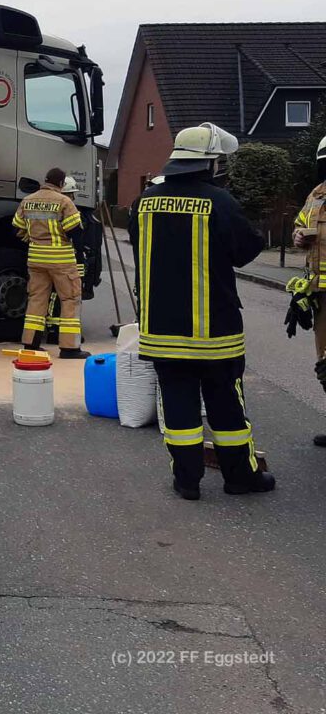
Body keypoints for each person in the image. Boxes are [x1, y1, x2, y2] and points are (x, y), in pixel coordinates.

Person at [129, 122, 273, 500]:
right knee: (226, 407)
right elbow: (246, 251)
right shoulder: (220, 202)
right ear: (210, 163)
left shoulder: (144, 202)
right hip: (216, 332)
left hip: (161, 329)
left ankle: (187, 481)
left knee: (178, 406)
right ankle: (239, 478)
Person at [13, 167, 90, 359]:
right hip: (61, 260)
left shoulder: (27, 200)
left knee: (37, 299)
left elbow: (18, 229)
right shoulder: (64, 201)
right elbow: (75, 232)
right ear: (62, 183)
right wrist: (80, 258)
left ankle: (31, 344)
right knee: (70, 300)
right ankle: (69, 348)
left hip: (36, 259)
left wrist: (34, 241)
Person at [292, 134, 326, 447]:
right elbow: (299, 224)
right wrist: (299, 236)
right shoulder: (316, 194)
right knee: (324, 363)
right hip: (320, 293)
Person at [45, 176, 87, 343]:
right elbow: (75, 236)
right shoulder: (67, 209)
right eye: (71, 194)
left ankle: (55, 329)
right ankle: (60, 332)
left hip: (61, 258)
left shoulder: (53, 209)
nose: (73, 198)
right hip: (67, 259)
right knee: (68, 296)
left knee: (59, 295)